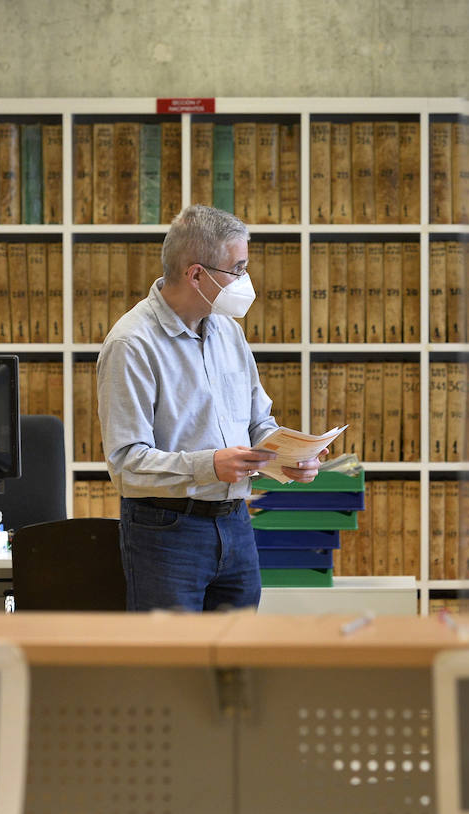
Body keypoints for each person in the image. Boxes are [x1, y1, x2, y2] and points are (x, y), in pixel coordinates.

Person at [97, 204, 321, 611]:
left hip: (236, 523)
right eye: (237, 269)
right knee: (174, 669)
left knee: (234, 667)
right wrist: (209, 465)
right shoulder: (132, 344)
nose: (245, 280)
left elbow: (257, 421)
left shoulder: (228, 333)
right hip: (167, 531)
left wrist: (288, 456)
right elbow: (126, 464)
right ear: (196, 274)